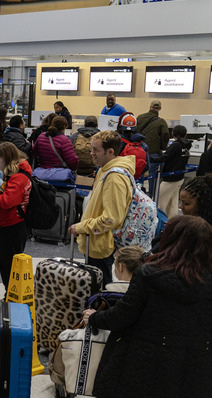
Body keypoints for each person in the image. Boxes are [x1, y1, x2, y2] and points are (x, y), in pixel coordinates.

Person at [82, 215, 212, 398]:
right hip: (194, 369)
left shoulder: (149, 275)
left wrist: (94, 317)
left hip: (142, 364)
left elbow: (123, 315)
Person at [69, 130, 135, 286]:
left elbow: (111, 218)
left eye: (96, 150)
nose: (91, 153)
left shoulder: (114, 178)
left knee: (100, 289)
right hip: (96, 240)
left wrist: (82, 227)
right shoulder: (104, 170)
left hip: (101, 244)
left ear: (110, 151)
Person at [0, 142, 32, 290]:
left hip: (12, 225)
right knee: (8, 264)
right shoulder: (12, 174)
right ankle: (11, 293)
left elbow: (6, 201)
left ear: (7, 157)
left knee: (9, 266)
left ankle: (11, 295)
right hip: (8, 223)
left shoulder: (18, 177)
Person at [152, 125, 191, 218]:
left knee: (159, 202)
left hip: (170, 178)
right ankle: (172, 222)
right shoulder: (186, 145)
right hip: (179, 177)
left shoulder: (176, 145)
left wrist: (148, 158)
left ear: (173, 133)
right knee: (172, 204)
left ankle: (158, 224)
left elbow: (164, 158)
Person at [117, 112, 150, 179]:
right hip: (136, 179)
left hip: (119, 177)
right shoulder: (143, 145)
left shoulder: (116, 142)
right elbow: (147, 166)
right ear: (135, 127)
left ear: (121, 126)